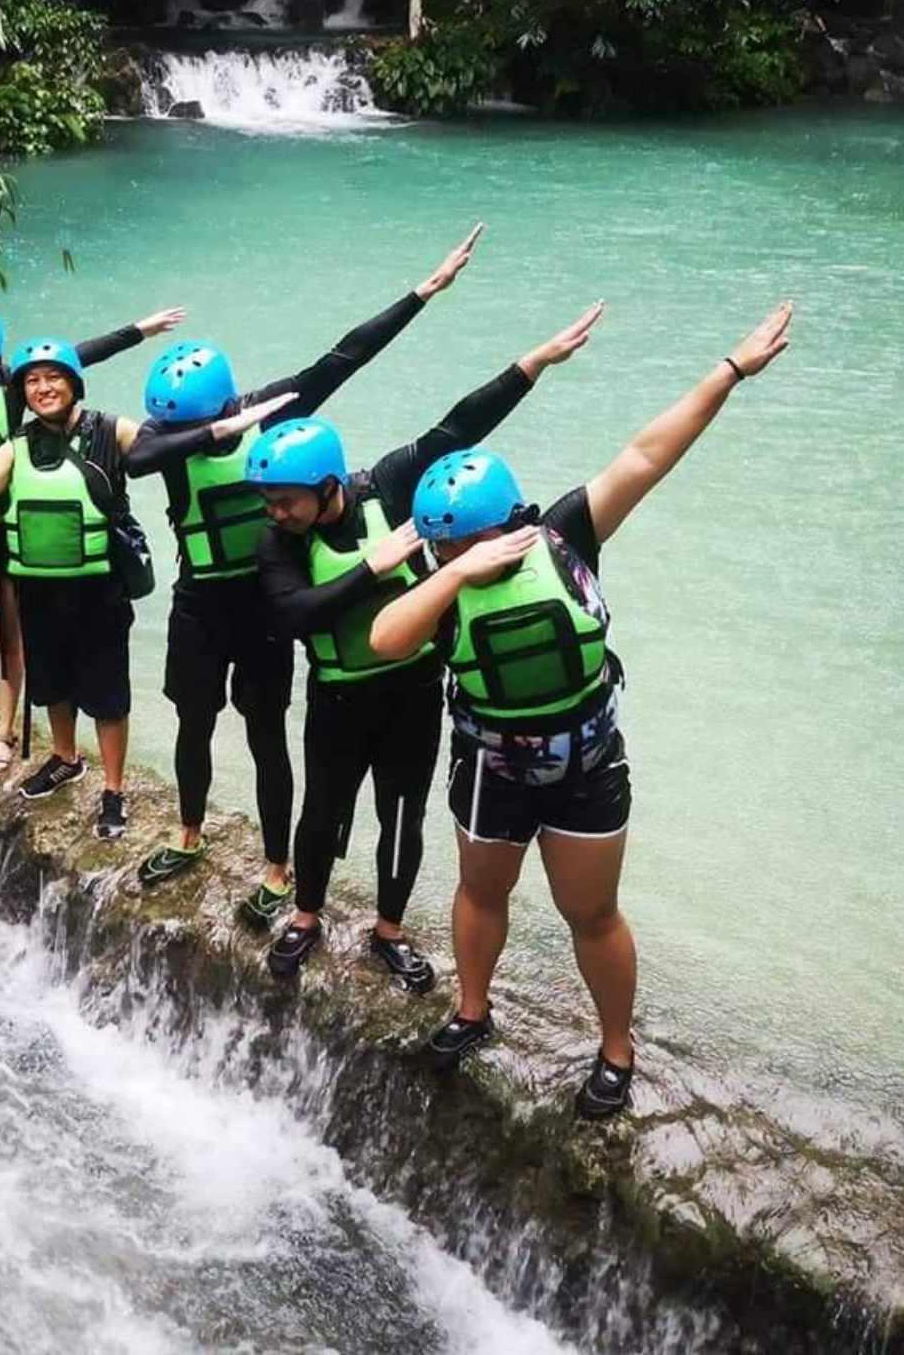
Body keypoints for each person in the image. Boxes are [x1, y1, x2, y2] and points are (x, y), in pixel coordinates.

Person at [368, 305, 793, 1118]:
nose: (455, 556)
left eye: (466, 543)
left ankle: (615, 1049)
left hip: (586, 765)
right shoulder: (435, 583)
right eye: (443, 547)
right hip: (490, 765)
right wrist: (451, 576)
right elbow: (387, 641)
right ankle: (471, 1008)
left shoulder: (564, 536)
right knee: (478, 891)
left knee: (589, 912)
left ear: (510, 523)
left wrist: (730, 371)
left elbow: (645, 454)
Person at [124, 225, 483, 908]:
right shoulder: (166, 437)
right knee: (192, 721)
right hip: (199, 601)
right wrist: (210, 435)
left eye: (211, 421)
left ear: (231, 401)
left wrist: (422, 294)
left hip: (266, 601)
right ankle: (189, 830)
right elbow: (137, 460)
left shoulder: (271, 415)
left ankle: (276, 867)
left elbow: (343, 358)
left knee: (265, 735)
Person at [245, 304, 604, 986]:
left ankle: (389, 930)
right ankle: (306, 916)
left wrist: (533, 363)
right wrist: (373, 568)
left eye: (284, 500)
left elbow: (459, 425)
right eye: (268, 502)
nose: (274, 513)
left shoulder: (387, 485)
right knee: (321, 808)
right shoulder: (280, 542)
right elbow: (293, 615)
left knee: (402, 812)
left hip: (411, 695)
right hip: (337, 696)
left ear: (327, 487)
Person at [0, 303, 186, 773]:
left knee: (9, 635)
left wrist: (139, 331)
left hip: (6, 532)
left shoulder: (11, 392)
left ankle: (6, 730)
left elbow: (75, 359)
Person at [0, 338, 144, 838]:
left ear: (73, 384)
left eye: (53, 377)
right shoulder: (15, 447)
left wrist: (219, 426)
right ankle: (65, 758)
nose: (43, 388)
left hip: (99, 590)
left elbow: (164, 446)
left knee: (107, 695)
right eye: (32, 381)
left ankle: (114, 790)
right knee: (51, 684)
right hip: (38, 590)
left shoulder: (112, 430)